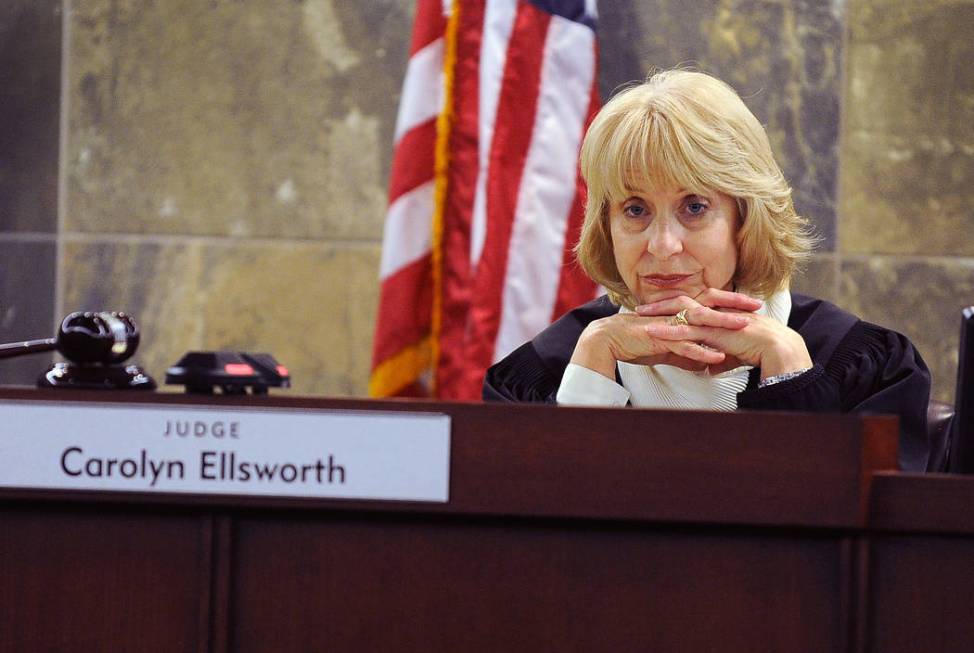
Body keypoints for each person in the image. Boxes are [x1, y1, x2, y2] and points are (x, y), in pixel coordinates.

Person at [482, 70, 931, 471]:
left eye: (694, 207)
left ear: (745, 218)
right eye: (635, 209)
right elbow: (529, 551)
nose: (662, 245)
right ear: (606, 224)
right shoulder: (543, 375)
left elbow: (852, 552)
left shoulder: (866, 370)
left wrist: (791, 376)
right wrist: (590, 377)